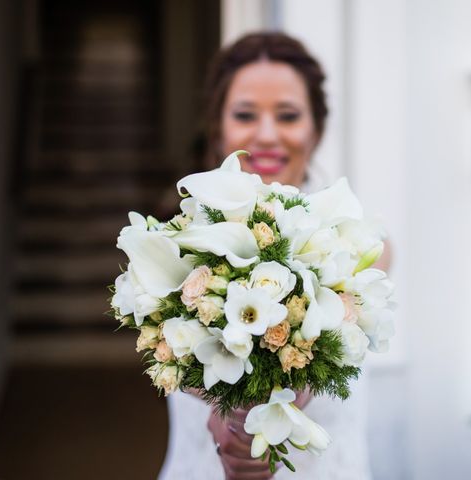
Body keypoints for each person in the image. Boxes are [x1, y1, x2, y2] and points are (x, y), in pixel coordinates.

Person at [158, 32, 390, 480]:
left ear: (316, 129)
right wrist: (232, 419)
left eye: (287, 115)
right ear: (219, 126)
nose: (266, 135)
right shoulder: (177, 250)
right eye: (245, 114)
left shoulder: (359, 246)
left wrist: (276, 405)